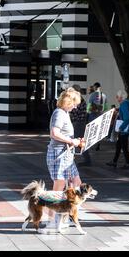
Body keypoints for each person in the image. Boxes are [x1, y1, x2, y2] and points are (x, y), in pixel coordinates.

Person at [40, 88, 83, 234]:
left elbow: (62, 134)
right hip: (58, 154)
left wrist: (75, 141)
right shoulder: (59, 113)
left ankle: (66, 216)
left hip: (66, 154)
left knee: (77, 183)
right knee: (59, 186)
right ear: (68, 101)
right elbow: (54, 133)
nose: (76, 107)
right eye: (74, 103)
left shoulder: (64, 113)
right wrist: (72, 141)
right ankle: (52, 220)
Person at [106, 90, 129, 169]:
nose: (116, 97)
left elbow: (127, 118)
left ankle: (128, 163)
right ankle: (114, 161)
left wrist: (121, 127)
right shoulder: (126, 103)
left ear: (121, 97)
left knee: (124, 146)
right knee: (119, 145)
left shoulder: (124, 104)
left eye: (117, 96)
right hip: (126, 128)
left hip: (124, 129)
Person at [69, 85, 91, 166]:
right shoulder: (80, 99)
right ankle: (86, 159)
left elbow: (75, 112)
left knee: (77, 142)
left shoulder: (79, 100)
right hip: (79, 122)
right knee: (78, 142)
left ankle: (86, 159)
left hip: (78, 123)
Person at [87, 82, 108, 151]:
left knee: (92, 129)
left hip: (93, 115)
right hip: (100, 115)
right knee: (99, 130)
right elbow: (106, 108)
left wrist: (88, 112)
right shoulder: (104, 96)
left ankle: (92, 143)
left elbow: (89, 106)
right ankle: (98, 143)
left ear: (95, 87)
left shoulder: (92, 95)